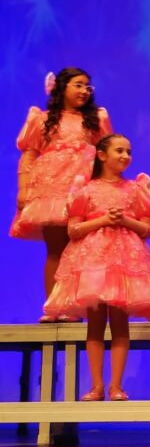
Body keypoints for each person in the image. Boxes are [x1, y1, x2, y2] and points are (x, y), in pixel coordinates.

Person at [43, 134, 150, 400]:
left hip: (125, 263)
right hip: (94, 263)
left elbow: (148, 230)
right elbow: (73, 230)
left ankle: (116, 386)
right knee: (95, 323)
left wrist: (125, 220)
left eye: (128, 151)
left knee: (120, 323)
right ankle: (97, 386)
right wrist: (102, 220)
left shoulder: (135, 189)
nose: (125, 156)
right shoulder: (86, 190)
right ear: (102, 155)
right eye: (119, 151)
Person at [12, 68, 113, 320]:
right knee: (56, 249)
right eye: (78, 85)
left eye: (87, 86)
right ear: (62, 87)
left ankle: (74, 308)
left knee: (80, 251)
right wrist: (23, 188)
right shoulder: (42, 119)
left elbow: (107, 155)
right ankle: (53, 307)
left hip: (83, 188)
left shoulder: (96, 119)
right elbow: (29, 154)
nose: (84, 91)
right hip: (51, 188)